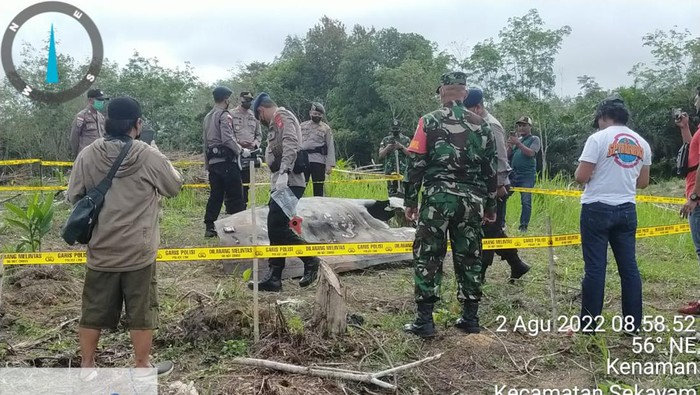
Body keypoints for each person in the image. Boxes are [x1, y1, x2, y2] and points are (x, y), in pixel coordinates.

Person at [67, 96, 183, 376]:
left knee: (92, 309)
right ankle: (142, 365)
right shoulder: (147, 154)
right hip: (138, 249)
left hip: (101, 248)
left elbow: (74, 196)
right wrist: (156, 150)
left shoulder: (88, 153)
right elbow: (174, 186)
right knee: (141, 311)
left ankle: (87, 365)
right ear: (138, 124)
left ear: (106, 122)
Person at [403, 72, 497, 338]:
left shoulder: (428, 122)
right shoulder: (482, 125)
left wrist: (410, 200)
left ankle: (425, 321)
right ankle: (470, 317)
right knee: (470, 255)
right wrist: (491, 206)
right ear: (465, 94)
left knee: (428, 255)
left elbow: (416, 163)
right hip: (472, 202)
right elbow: (491, 170)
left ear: (442, 92)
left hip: (437, 201)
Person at [574, 95, 651, 334]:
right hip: (627, 209)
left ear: (604, 117)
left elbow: (581, 176)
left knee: (596, 268)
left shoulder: (597, 139)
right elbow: (644, 183)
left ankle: (589, 326)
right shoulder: (642, 143)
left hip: (597, 207)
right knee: (629, 268)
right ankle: (632, 325)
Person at [248, 92, 320, 292]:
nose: (260, 121)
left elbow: (291, 145)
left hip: (289, 180)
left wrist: (285, 171)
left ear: (261, 110)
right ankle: (275, 277)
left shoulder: (281, 116)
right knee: (276, 227)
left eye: (258, 117)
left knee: (278, 226)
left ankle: (311, 260)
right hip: (281, 181)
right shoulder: (276, 121)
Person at [463, 87, 530, 283]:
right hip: (482, 185)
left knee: (489, 231)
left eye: (468, 108)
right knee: (489, 230)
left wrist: (499, 186)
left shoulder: (491, 125)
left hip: (495, 186)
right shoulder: (475, 123)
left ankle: (482, 274)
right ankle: (517, 264)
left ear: (477, 107)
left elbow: (501, 158)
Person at [202, 86, 250, 238]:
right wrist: (241, 151)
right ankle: (236, 226)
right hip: (227, 162)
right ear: (226, 99)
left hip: (213, 162)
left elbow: (204, 143)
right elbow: (227, 138)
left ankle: (210, 226)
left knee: (215, 195)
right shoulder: (224, 115)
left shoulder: (208, 117)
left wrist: (207, 164)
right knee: (236, 195)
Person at [677, 86, 700, 315]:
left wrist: (694, 196)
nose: (695, 102)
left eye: (697, 98)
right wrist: (685, 128)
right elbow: (694, 150)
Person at [507, 116, 541, 232]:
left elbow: (531, 153)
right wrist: (510, 147)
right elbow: (508, 156)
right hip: (513, 174)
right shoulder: (518, 140)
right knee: (502, 196)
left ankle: (523, 227)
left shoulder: (534, 139)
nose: (521, 127)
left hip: (527, 175)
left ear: (529, 127)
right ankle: (500, 223)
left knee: (526, 201)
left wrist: (518, 143)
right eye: (519, 125)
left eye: (524, 125)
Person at [233, 91, 262, 207]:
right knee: (234, 181)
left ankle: (244, 204)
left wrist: (255, 144)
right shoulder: (231, 114)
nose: (248, 102)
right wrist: (239, 143)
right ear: (241, 100)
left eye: (250, 100)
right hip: (235, 152)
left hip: (249, 154)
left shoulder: (254, 116)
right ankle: (233, 206)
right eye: (246, 100)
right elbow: (227, 134)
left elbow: (259, 135)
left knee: (246, 182)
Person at [300, 102, 336, 197]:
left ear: (322, 116)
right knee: (300, 185)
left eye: (319, 115)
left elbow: (330, 146)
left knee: (318, 187)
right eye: (315, 114)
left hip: (318, 160)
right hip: (303, 159)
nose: (316, 116)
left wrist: (329, 165)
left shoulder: (326, 128)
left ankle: (319, 206)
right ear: (310, 113)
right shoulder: (302, 126)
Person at [70, 89, 108, 158]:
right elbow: (74, 138)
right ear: (90, 100)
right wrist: (78, 156)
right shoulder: (82, 116)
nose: (101, 102)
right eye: (99, 100)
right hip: (86, 156)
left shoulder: (101, 117)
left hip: (99, 156)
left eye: (102, 100)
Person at [378, 119, 411, 198]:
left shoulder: (406, 140)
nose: (395, 131)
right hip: (390, 172)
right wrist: (388, 148)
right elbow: (380, 155)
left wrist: (401, 147)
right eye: (393, 129)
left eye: (396, 129)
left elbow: (411, 154)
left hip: (402, 172)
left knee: (403, 196)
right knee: (391, 196)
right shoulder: (386, 140)